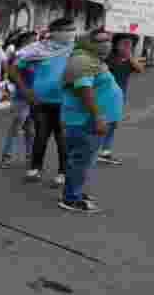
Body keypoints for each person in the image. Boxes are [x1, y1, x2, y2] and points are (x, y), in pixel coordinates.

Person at [8, 18, 76, 187]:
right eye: (67, 29)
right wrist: (25, 90)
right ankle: (35, 169)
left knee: (63, 137)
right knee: (41, 134)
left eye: (72, 29)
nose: (71, 32)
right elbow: (13, 67)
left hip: (66, 101)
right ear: (55, 32)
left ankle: (63, 173)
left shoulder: (75, 48)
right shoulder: (37, 49)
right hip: (40, 101)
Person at [60, 29, 121, 213]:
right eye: (101, 41)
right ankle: (71, 198)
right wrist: (98, 115)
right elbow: (84, 89)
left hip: (86, 119)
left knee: (81, 159)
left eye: (109, 40)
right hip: (85, 119)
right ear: (88, 42)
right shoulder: (83, 60)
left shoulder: (90, 59)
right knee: (81, 160)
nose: (107, 44)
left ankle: (74, 192)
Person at [98, 33, 144, 166]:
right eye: (124, 43)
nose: (127, 46)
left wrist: (129, 57)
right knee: (102, 121)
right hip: (103, 95)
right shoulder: (108, 59)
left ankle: (105, 151)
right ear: (116, 45)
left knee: (112, 123)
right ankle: (97, 149)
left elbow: (140, 69)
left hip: (119, 96)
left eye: (130, 44)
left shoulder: (130, 61)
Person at [0, 31, 37, 169]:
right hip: (21, 98)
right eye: (33, 40)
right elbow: (12, 75)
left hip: (33, 98)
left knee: (30, 129)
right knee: (16, 128)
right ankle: (7, 157)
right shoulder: (20, 56)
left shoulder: (36, 56)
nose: (36, 42)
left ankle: (30, 156)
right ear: (24, 42)